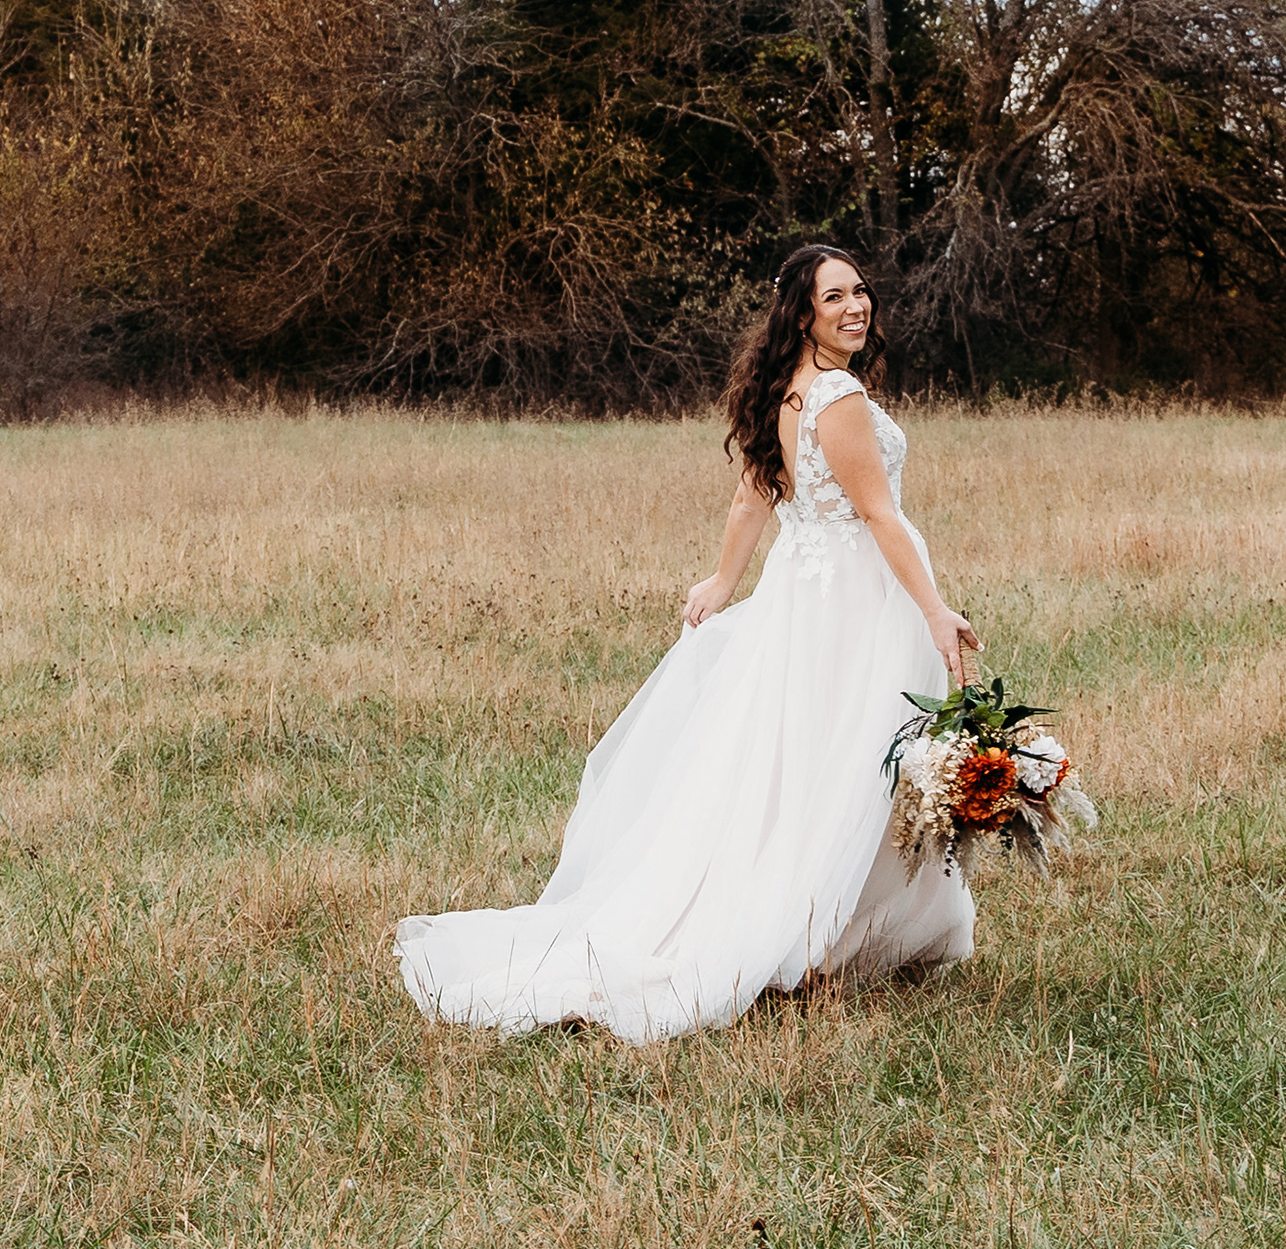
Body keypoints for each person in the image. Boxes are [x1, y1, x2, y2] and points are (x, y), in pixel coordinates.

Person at [395, 245, 982, 1042]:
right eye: (834, 296)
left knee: (807, 764)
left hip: (802, 599)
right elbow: (878, 514)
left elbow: (753, 497)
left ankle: (836, 927)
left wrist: (724, 580)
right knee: (851, 761)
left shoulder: (788, 387)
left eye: (860, 291)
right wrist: (935, 610)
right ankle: (810, 935)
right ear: (802, 313)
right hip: (855, 598)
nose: (856, 306)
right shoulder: (838, 395)